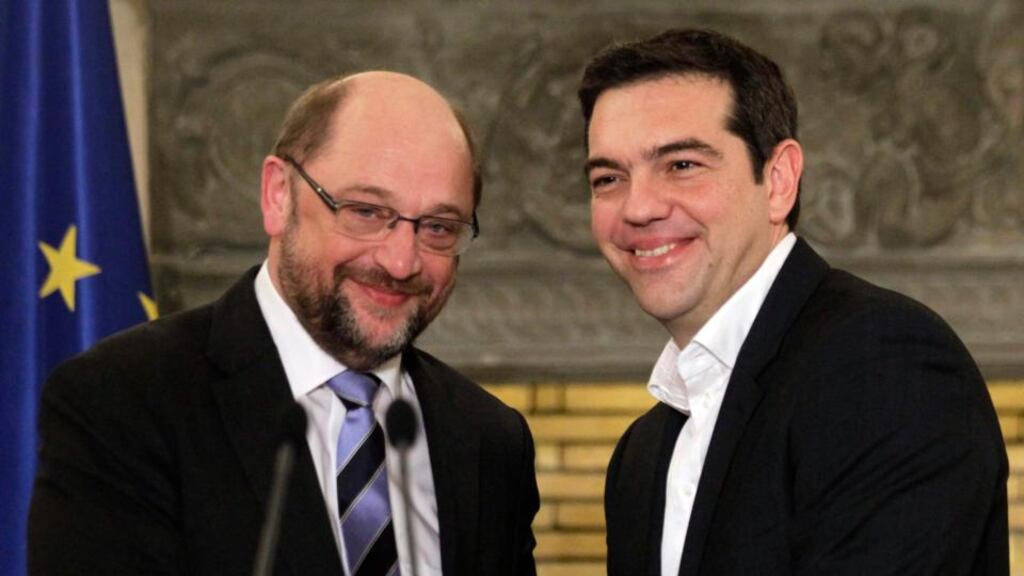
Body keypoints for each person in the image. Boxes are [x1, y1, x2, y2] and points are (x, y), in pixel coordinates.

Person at [29, 72, 539, 576]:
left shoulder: (489, 440)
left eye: (439, 228)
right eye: (365, 211)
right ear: (279, 195)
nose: (401, 261)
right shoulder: (124, 401)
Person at [579, 29, 1008, 575]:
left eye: (681, 164)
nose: (638, 207)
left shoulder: (884, 366)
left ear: (779, 180)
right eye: (609, 177)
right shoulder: (640, 456)